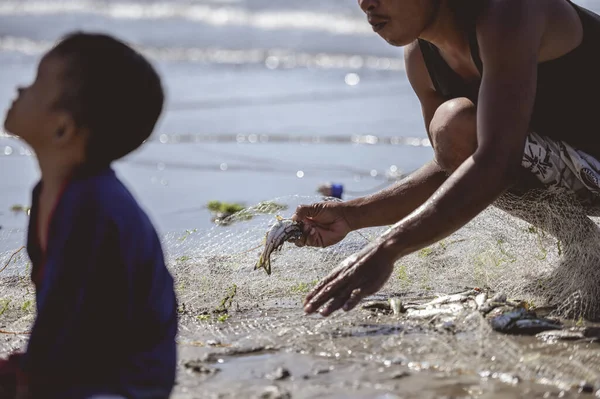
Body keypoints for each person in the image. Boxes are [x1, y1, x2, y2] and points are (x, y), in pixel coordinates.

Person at [292, 0, 600, 318]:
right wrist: (353, 215)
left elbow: (497, 161)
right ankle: (586, 248)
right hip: (584, 172)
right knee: (454, 128)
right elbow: (453, 167)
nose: (366, 3)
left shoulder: (510, 13)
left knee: (457, 124)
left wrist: (389, 247)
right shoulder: (421, 58)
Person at [0, 32, 178, 398]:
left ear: (62, 129)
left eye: (35, 83)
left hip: (124, 386)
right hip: (87, 365)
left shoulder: (90, 207)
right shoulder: (52, 193)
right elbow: (58, 313)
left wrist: (24, 380)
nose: (19, 89)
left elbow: (66, 327)